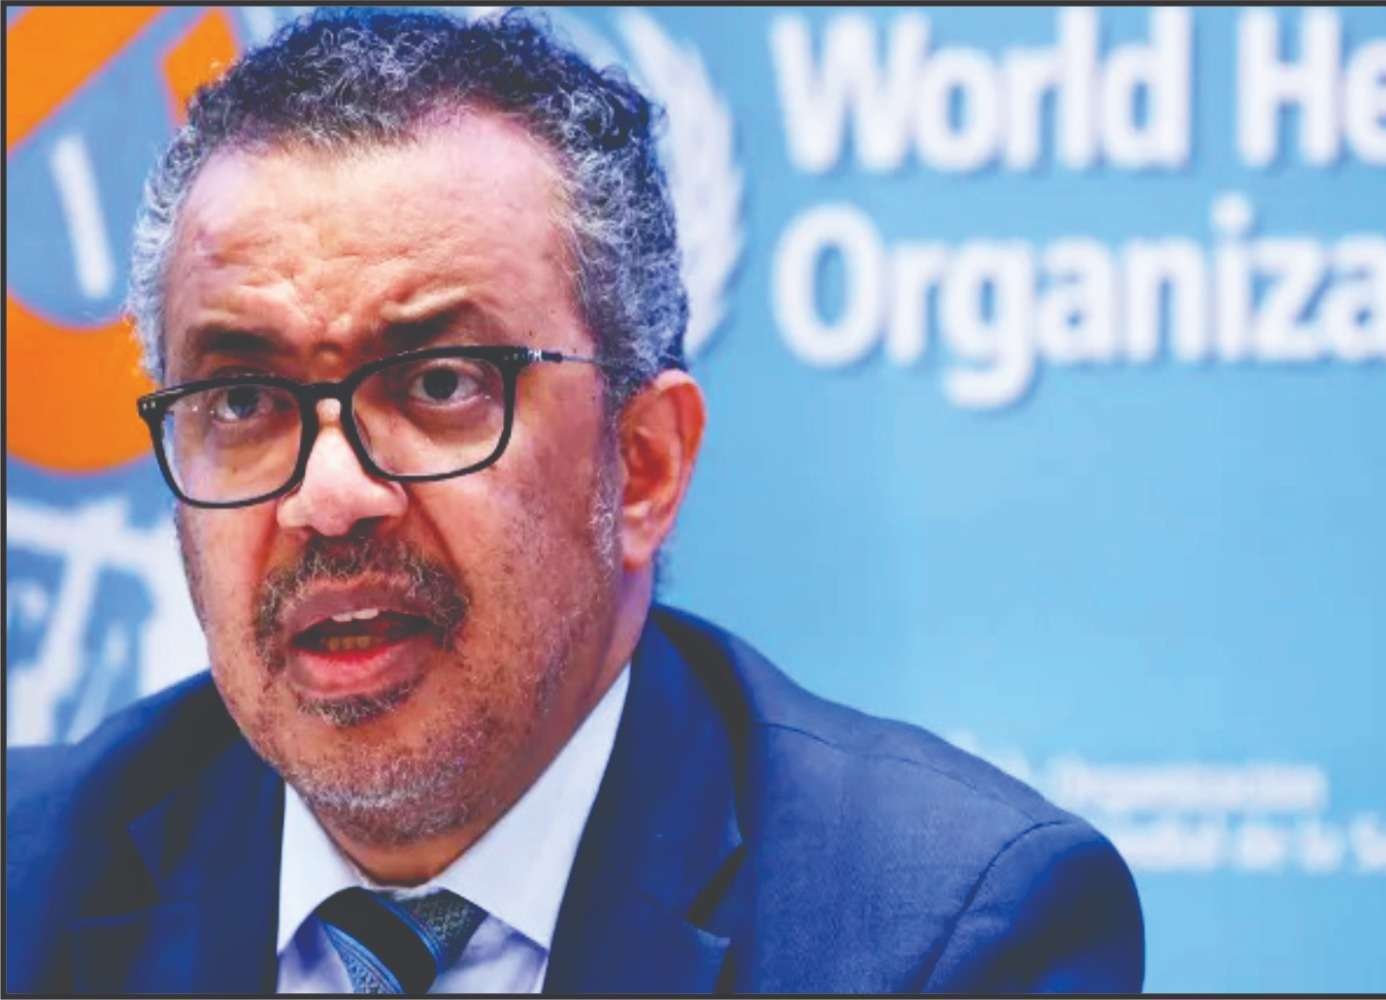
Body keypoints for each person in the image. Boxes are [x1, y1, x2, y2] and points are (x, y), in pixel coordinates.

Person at [4, 8, 1142, 993]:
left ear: (643, 466)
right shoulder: (29, 882)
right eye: (245, 400)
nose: (330, 495)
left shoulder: (942, 933)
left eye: (439, 384)